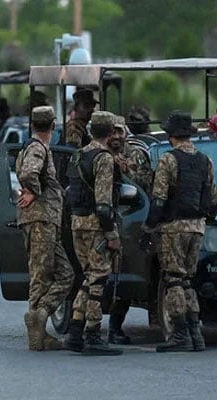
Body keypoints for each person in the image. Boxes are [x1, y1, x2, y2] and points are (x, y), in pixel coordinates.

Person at [144, 110, 217, 352]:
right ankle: (196, 333)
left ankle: (179, 334)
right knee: (188, 280)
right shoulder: (205, 160)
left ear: (171, 136)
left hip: (173, 226)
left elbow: (158, 199)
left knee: (173, 280)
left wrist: (150, 225)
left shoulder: (168, 160)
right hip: (197, 227)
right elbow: (214, 199)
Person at [64, 111, 123, 356]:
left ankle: (76, 330)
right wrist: (111, 233)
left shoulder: (79, 156)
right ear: (110, 133)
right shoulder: (104, 158)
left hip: (77, 223)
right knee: (99, 277)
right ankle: (93, 333)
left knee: (89, 276)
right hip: (96, 225)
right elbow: (103, 202)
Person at [16, 106, 75, 351]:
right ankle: (36, 331)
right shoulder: (38, 148)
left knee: (66, 274)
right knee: (41, 275)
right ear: (53, 126)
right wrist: (34, 192)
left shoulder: (36, 147)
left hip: (47, 220)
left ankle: (41, 315)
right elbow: (30, 172)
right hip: (40, 220)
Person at [103, 115, 153, 345]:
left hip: (127, 222)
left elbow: (145, 186)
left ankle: (114, 327)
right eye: (111, 132)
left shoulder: (136, 155)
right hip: (97, 223)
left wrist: (126, 170)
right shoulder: (96, 152)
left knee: (121, 276)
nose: (115, 137)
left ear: (126, 133)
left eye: (119, 132)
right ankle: (84, 327)